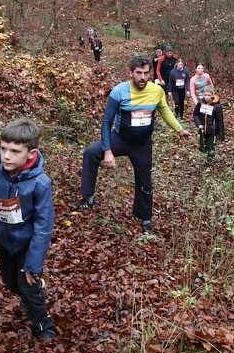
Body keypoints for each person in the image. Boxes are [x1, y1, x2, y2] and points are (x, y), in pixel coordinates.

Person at [71, 55, 192, 233]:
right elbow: (106, 122)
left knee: (145, 181)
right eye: (138, 73)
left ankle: (144, 217)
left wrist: (179, 129)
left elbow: (164, 109)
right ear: (131, 73)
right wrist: (107, 151)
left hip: (142, 144)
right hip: (120, 138)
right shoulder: (119, 91)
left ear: (151, 74)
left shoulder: (156, 91)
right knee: (90, 152)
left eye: (146, 73)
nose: (142, 77)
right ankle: (87, 198)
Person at [0, 118, 57, 342]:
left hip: (27, 243)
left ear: (30, 153)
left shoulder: (40, 183)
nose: (6, 156)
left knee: (28, 287)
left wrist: (33, 264)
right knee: (10, 283)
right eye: (3, 148)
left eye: (15, 151)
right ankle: (33, 291)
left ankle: (44, 326)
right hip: (4, 241)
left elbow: (43, 227)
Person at [193, 86, 225, 165]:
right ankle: (204, 160)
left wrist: (221, 134)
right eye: (205, 95)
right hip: (202, 130)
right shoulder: (200, 103)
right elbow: (195, 115)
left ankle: (209, 164)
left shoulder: (217, 106)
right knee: (203, 147)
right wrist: (199, 124)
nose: (207, 97)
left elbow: (220, 120)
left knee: (211, 148)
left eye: (209, 95)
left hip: (212, 131)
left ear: (212, 95)